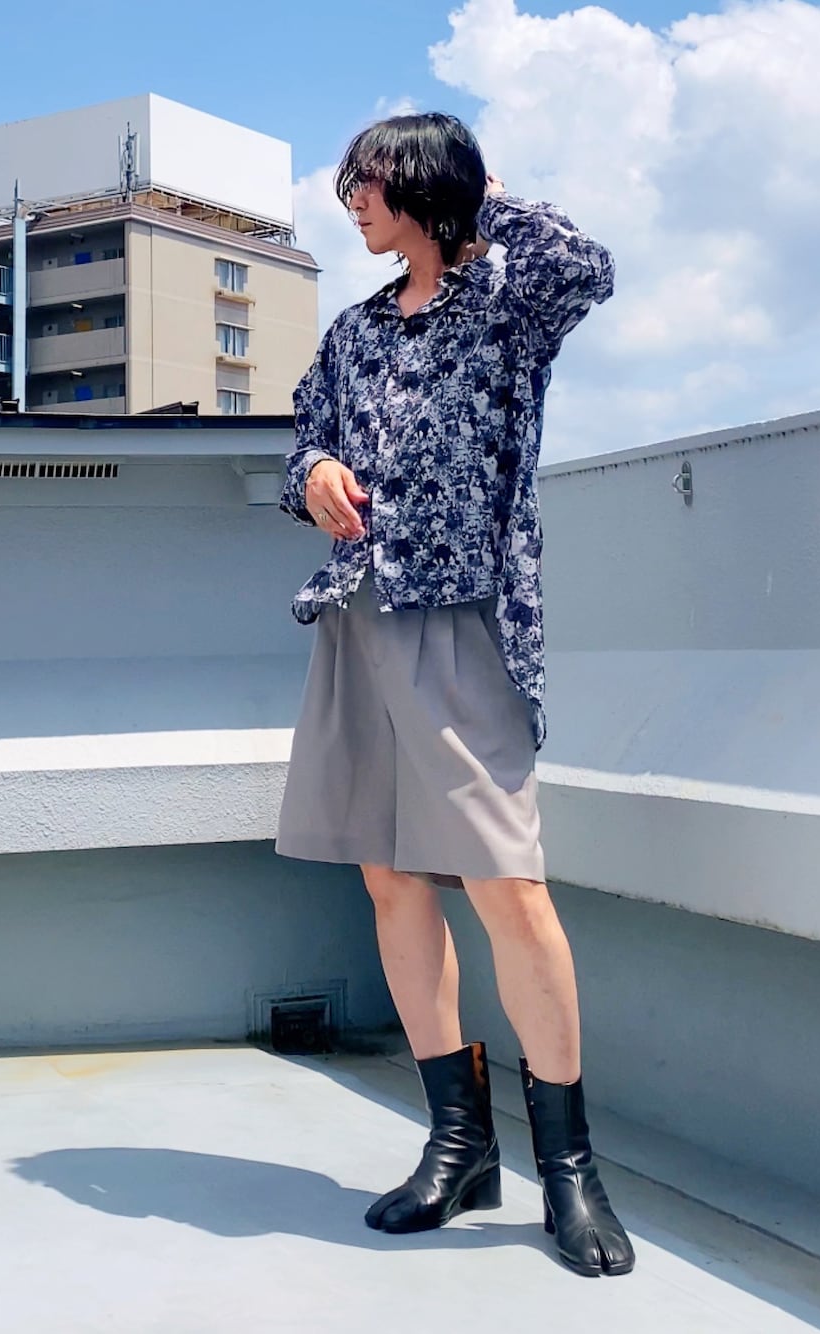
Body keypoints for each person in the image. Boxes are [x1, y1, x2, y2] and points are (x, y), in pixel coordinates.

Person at [275, 112, 633, 1278]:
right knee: (389, 877)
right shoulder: (354, 329)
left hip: (466, 616)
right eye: (352, 187)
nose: (354, 204)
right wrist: (315, 470)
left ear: (429, 188)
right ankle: (459, 1144)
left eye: (372, 184)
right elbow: (303, 434)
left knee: (507, 886)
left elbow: (587, 267)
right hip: (359, 614)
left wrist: (487, 197)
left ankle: (568, 1167)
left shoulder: (505, 306)